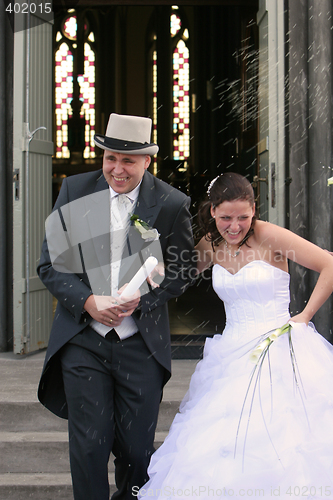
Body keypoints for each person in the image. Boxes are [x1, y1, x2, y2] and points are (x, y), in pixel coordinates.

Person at [138, 172, 333, 499]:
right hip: (230, 354)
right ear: (212, 211)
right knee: (220, 441)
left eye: (243, 217)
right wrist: (142, 251)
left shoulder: (269, 236)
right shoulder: (211, 244)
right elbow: (172, 277)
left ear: (254, 209)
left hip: (278, 347)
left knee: (284, 438)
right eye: (226, 217)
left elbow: (329, 264)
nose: (235, 226)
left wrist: (304, 316)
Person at [37, 113, 194, 500]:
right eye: (110, 158)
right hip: (82, 341)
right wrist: (87, 301)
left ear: (146, 161)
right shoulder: (75, 190)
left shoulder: (171, 203)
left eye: (128, 161)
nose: (117, 169)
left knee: (136, 453)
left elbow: (182, 269)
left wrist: (145, 296)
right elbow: (51, 264)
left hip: (140, 345)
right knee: (89, 448)